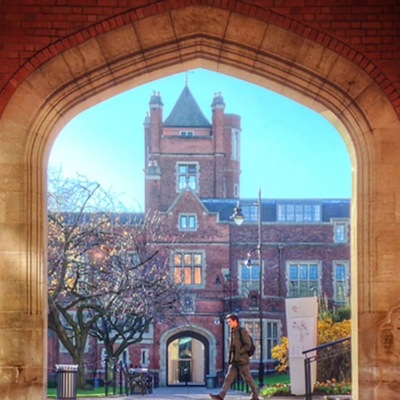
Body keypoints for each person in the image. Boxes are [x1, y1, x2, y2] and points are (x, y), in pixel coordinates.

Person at [209, 314, 259, 400]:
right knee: (228, 378)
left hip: (242, 360)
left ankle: (255, 395)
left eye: (230, 321)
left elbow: (248, 344)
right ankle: (221, 395)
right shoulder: (232, 331)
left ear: (235, 321)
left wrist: (240, 352)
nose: (228, 323)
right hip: (234, 360)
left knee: (247, 378)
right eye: (228, 322)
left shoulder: (241, 331)